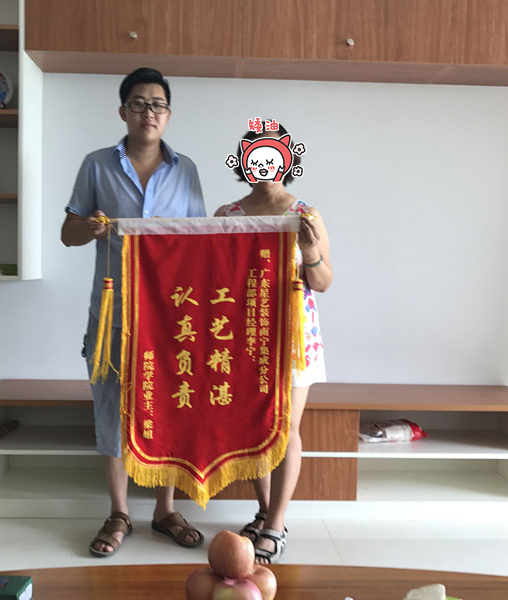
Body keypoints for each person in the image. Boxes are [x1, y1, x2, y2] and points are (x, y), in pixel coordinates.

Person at [62, 67, 206, 557]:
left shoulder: (185, 170)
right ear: (123, 111)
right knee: (110, 407)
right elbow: (68, 233)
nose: (149, 112)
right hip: (112, 312)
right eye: (140, 103)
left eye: (157, 104)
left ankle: (165, 510)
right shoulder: (97, 165)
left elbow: (200, 243)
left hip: (170, 314)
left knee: (169, 409)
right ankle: (119, 512)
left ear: (169, 114)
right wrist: (92, 228)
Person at [214, 124, 333, 564]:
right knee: (253, 427)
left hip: (293, 337)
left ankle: (277, 524)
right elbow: (212, 276)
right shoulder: (226, 214)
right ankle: (263, 511)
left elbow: (324, 281)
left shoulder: (306, 214)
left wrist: (310, 251)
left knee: (285, 429)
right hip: (243, 335)